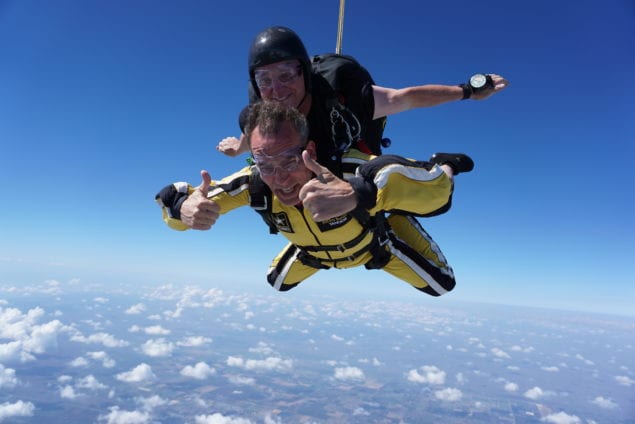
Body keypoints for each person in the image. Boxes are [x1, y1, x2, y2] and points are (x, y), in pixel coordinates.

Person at [156, 101, 474, 296]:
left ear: (310, 152)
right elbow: (171, 197)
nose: (279, 178)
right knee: (277, 283)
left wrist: (360, 193)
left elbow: (435, 193)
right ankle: (317, 240)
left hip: (374, 249)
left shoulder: (353, 171)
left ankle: (396, 212)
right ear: (253, 160)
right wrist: (183, 210)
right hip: (312, 253)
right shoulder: (254, 182)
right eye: (265, 163)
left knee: (441, 285)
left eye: (290, 160)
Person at [217, 26, 509, 171]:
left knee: (384, 188)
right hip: (311, 160)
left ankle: (443, 166)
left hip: (349, 150)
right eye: (264, 79)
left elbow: (405, 98)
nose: (277, 90)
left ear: (304, 72)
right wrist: (239, 149)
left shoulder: (343, 95)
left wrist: (469, 91)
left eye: (286, 74)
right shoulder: (262, 104)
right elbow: (253, 130)